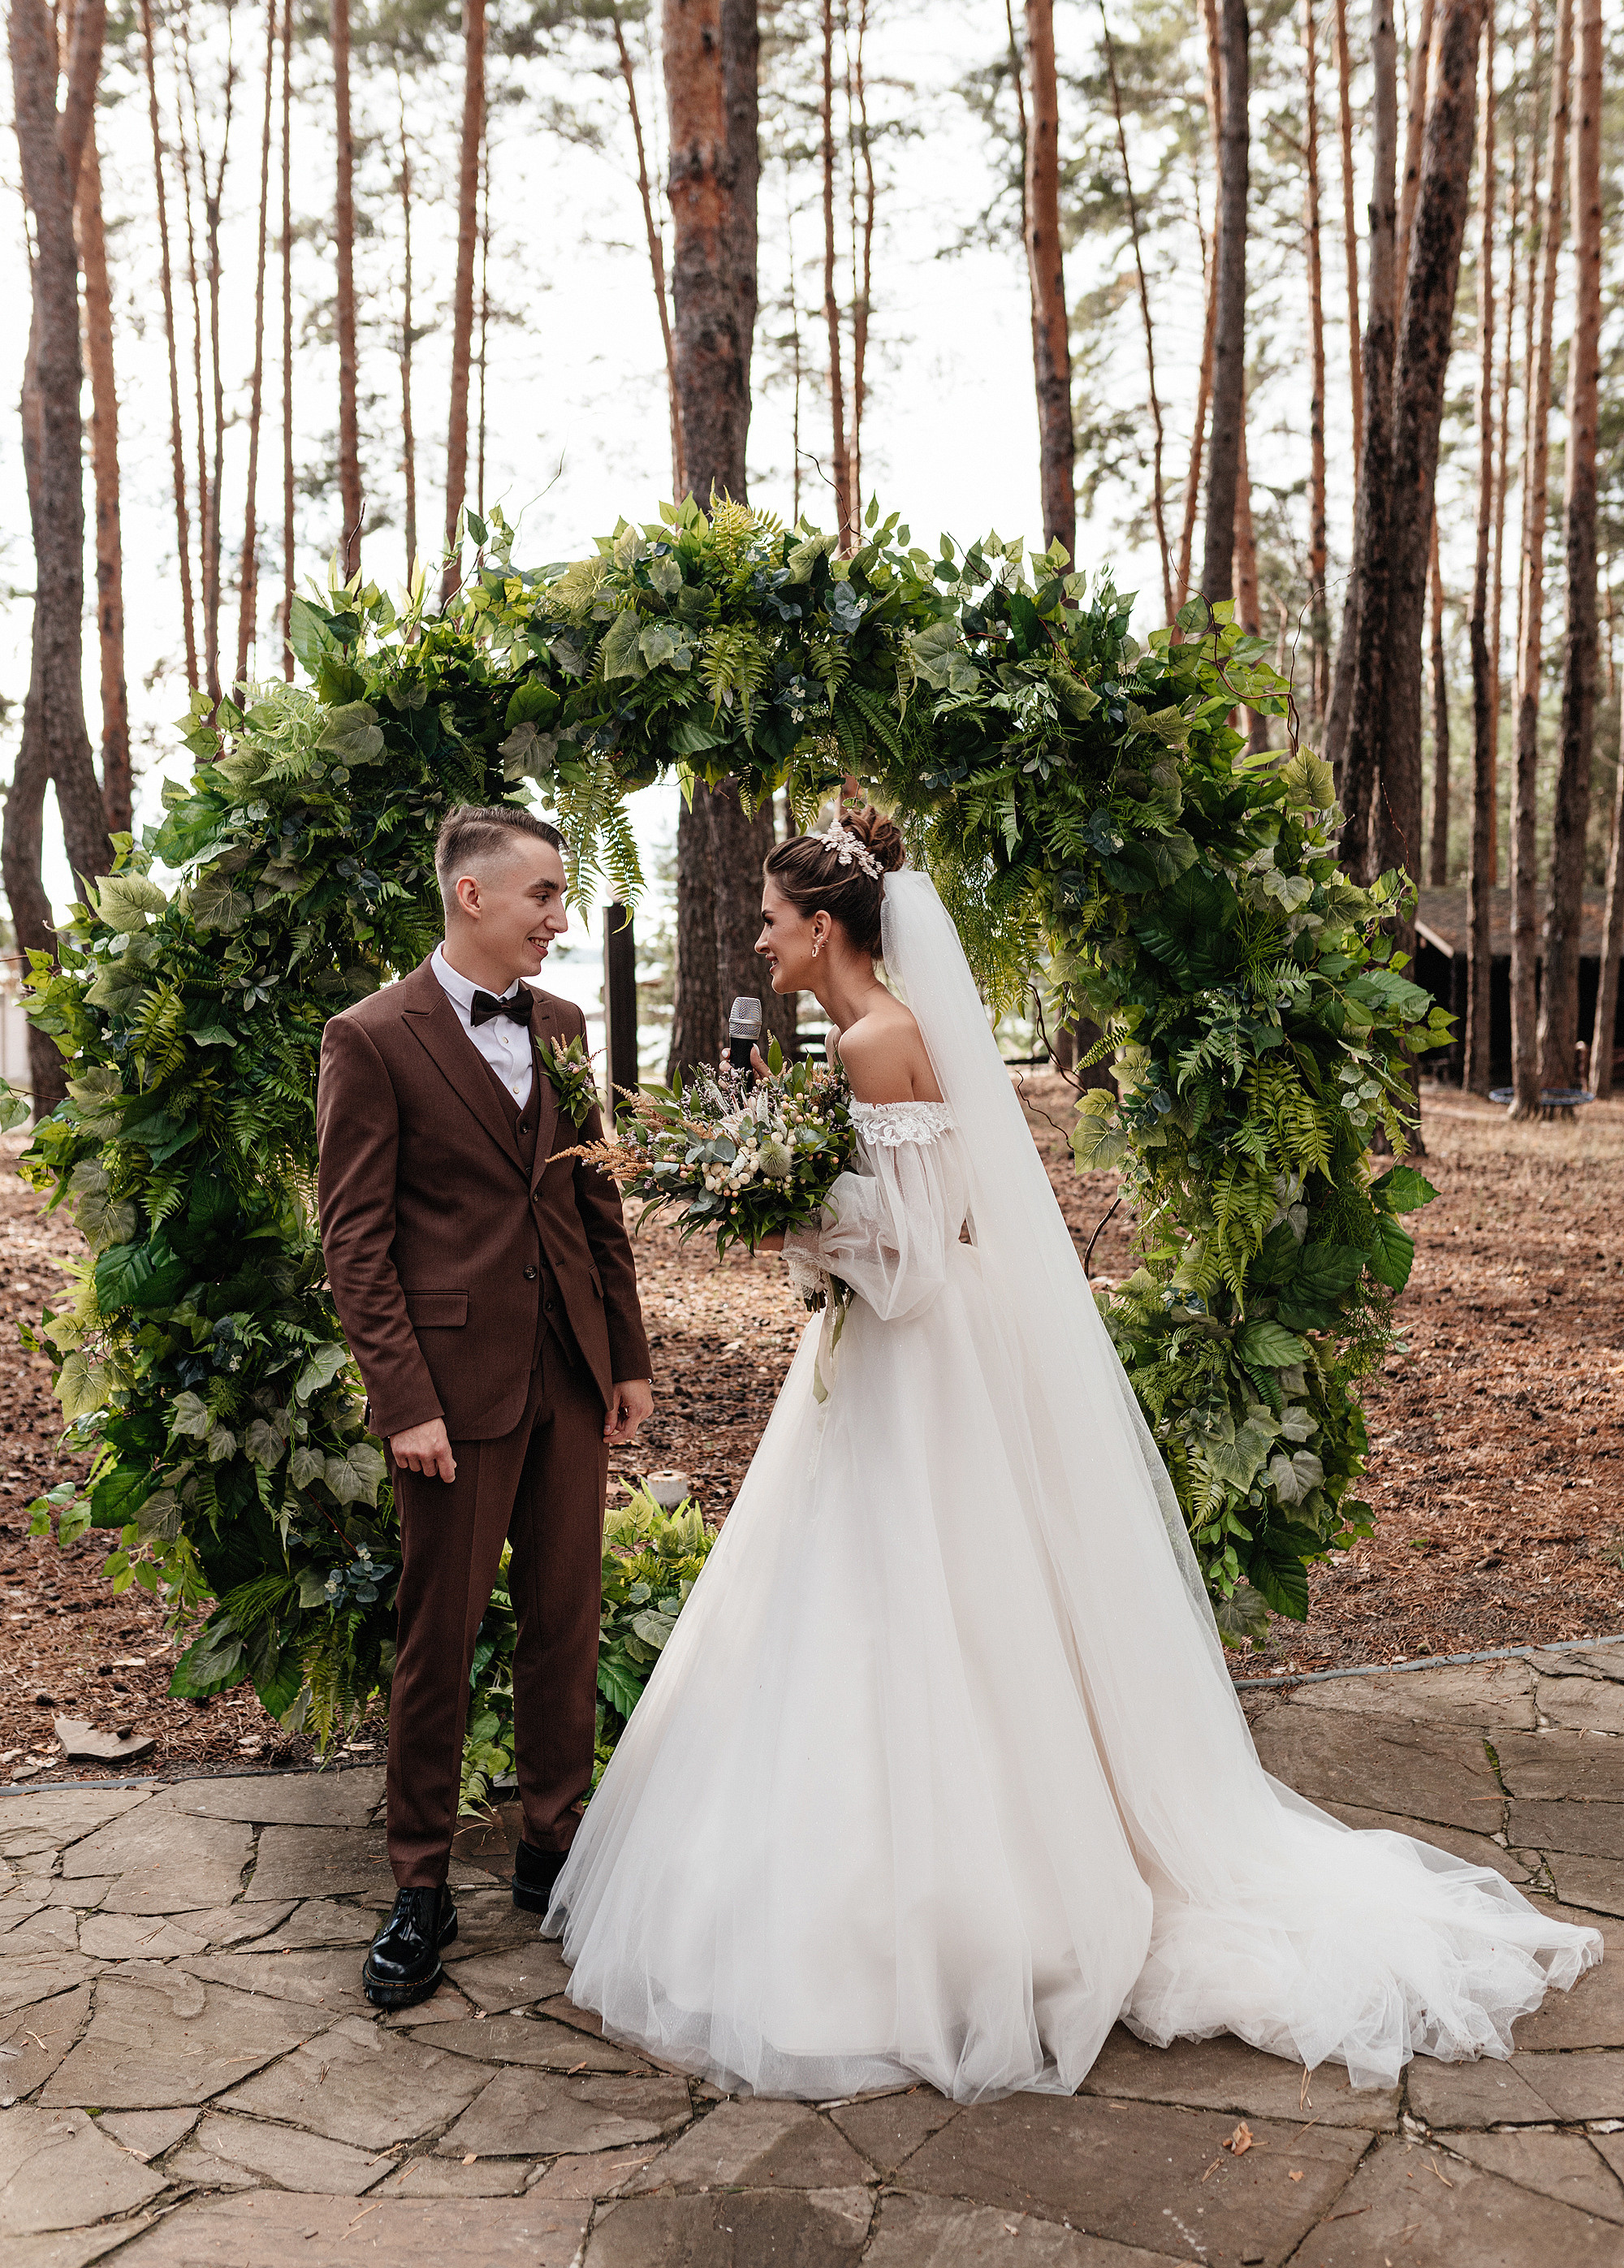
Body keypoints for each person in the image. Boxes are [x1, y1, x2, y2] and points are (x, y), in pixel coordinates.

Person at [546, 805, 1600, 2102]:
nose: (757, 940)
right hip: (903, 1363)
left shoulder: (879, 1040)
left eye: (769, 921)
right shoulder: (874, 1036)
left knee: (912, 1607)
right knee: (911, 1609)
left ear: (822, 931)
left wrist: (796, 1227)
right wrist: (805, 1205)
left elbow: (920, 1263)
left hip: (916, 1363)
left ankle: (956, 1908)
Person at [317, 803, 653, 2009]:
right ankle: (419, 1883)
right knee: (439, 1638)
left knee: (567, 1617)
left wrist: (626, 1355)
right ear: (474, 897)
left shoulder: (560, 1025)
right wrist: (402, 1397)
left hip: (567, 1373)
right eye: (545, 897)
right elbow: (355, 1243)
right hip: (449, 1399)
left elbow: (592, 1201)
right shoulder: (369, 1039)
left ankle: (551, 1844)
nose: (561, 917)